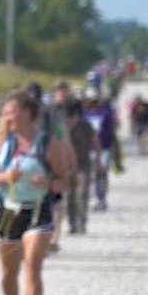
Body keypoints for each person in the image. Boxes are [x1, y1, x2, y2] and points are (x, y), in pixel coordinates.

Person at [0, 93, 77, 295]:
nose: (6, 116)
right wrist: (5, 178)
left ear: (27, 112)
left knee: (33, 268)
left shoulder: (47, 143)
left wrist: (47, 183)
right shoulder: (2, 142)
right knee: (7, 273)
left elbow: (63, 182)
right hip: (8, 211)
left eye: (10, 110)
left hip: (38, 210)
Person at [82, 93, 119, 211]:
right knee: (90, 174)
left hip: (104, 148)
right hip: (88, 149)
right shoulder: (84, 115)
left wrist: (112, 146)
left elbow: (110, 131)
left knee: (101, 173)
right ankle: (92, 197)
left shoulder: (105, 114)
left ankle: (101, 198)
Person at [63, 99, 95, 235]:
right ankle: (71, 223)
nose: (70, 120)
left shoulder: (85, 126)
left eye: (72, 117)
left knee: (82, 194)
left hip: (83, 164)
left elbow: (96, 141)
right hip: (66, 166)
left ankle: (82, 221)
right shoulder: (62, 128)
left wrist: (98, 161)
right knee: (68, 196)